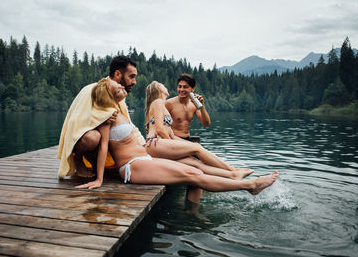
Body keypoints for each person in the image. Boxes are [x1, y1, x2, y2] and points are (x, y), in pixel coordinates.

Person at [75, 78, 279, 204]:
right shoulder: (106, 116)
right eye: (117, 87)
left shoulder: (121, 111)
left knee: (196, 170)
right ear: (108, 95)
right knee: (192, 171)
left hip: (145, 159)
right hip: (132, 166)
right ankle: (249, 185)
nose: (122, 87)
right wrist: (99, 179)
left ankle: (233, 181)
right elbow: (103, 147)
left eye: (120, 85)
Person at [57, 56, 145, 179]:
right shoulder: (93, 90)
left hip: (107, 143)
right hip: (87, 140)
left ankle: (98, 164)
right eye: (131, 76)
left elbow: (129, 123)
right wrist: (101, 119)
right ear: (118, 74)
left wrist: (143, 145)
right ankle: (78, 159)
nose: (134, 82)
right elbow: (75, 122)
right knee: (93, 138)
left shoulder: (119, 95)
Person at [145, 81, 253, 180]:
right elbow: (159, 129)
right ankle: (232, 169)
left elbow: (171, 135)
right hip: (155, 144)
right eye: (162, 85)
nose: (165, 86)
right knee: (196, 148)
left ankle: (233, 175)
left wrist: (185, 144)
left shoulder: (161, 106)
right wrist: (173, 147)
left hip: (160, 145)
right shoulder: (158, 102)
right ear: (159, 90)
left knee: (195, 162)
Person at [166, 74, 211, 140]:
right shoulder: (169, 103)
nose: (181, 89)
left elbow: (206, 123)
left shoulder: (194, 104)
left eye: (185, 87)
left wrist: (202, 106)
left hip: (187, 138)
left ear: (193, 89)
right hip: (173, 140)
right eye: (179, 86)